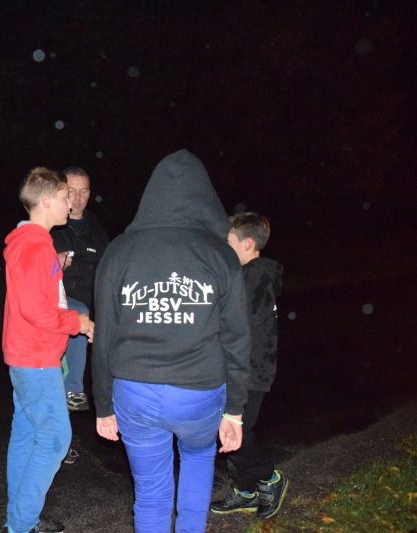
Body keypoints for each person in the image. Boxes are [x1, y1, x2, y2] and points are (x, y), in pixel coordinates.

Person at [92, 149, 250, 533]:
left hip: (135, 391)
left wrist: (103, 405)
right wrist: (234, 411)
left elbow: (104, 335)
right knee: (197, 460)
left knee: (150, 491)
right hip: (199, 392)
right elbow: (237, 338)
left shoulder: (119, 250)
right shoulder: (220, 254)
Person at [1, 167, 95, 533]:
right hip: (36, 358)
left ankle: (19, 519)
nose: (70, 203)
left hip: (28, 355)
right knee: (56, 439)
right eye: (63, 196)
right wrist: (77, 322)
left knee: (27, 435)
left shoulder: (35, 242)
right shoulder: (36, 245)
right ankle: (21, 524)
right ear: (45, 200)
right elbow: (35, 309)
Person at [210, 212, 288, 519]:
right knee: (232, 430)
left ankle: (269, 478)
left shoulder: (253, 276)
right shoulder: (252, 275)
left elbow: (239, 326)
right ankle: (245, 490)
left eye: (229, 241)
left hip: (250, 369)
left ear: (247, 243)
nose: (224, 246)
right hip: (247, 367)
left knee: (236, 431)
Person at [51, 166, 109, 414]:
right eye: (71, 191)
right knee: (79, 313)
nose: (77, 198)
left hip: (92, 305)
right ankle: (72, 389)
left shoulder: (97, 229)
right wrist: (54, 261)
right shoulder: (51, 225)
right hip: (59, 305)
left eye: (83, 191)